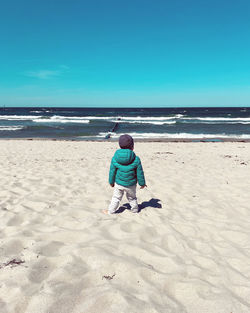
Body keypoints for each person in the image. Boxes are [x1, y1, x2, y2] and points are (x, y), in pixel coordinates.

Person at [103, 134, 146, 214]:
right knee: (132, 198)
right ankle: (135, 210)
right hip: (131, 184)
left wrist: (111, 182)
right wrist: (142, 183)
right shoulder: (136, 159)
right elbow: (140, 173)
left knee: (116, 198)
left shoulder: (115, 158)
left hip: (119, 183)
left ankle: (111, 211)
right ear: (132, 146)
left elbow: (112, 171)